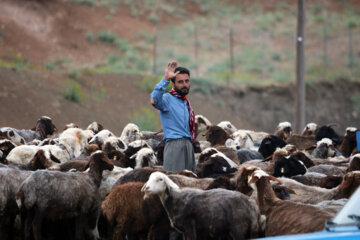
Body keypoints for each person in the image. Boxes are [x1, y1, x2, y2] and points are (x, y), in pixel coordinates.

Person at [150, 60, 196, 173]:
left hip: (188, 145)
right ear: (173, 84)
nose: (184, 85)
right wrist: (165, 79)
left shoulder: (186, 102)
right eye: (180, 82)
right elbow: (154, 100)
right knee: (174, 182)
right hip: (175, 146)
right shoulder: (167, 99)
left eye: (187, 81)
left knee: (190, 184)